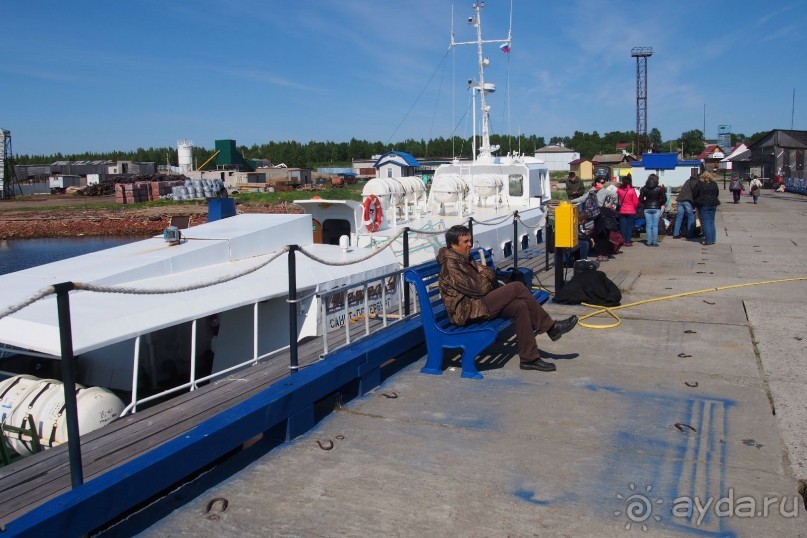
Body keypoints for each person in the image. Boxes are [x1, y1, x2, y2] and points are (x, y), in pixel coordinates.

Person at [437, 225, 578, 372]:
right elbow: (480, 289)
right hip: (467, 311)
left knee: (520, 306)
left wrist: (483, 274)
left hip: (479, 304)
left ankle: (529, 359)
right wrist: (484, 276)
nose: (469, 245)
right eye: (465, 242)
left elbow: (490, 276)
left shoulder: (464, 258)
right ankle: (551, 327)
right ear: (453, 245)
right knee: (517, 287)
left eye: (470, 241)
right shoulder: (451, 265)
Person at [638, 174, 667, 247]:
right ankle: (654, 242)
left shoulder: (644, 188)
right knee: (655, 226)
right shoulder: (659, 188)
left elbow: (640, 199)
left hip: (647, 207)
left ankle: (648, 242)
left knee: (648, 225)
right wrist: (660, 203)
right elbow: (664, 199)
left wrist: (645, 203)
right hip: (656, 207)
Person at [692, 171, 720, 245]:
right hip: (713, 204)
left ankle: (708, 240)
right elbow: (717, 193)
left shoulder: (699, 184)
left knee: (705, 223)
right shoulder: (714, 184)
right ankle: (712, 239)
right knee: (711, 222)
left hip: (703, 204)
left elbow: (695, 194)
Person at [673, 171, 699, 239]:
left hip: (680, 199)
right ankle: (690, 234)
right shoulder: (695, 182)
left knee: (679, 217)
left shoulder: (687, 180)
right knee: (691, 216)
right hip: (687, 200)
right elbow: (695, 193)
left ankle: (676, 234)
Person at [616, 174, 639, 247]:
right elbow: (636, 202)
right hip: (631, 210)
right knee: (629, 227)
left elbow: (618, 200)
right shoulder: (632, 191)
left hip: (622, 210)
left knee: (623, 227)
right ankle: (628, 241)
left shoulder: (619, 191)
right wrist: (635, 207)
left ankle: (622, 241)